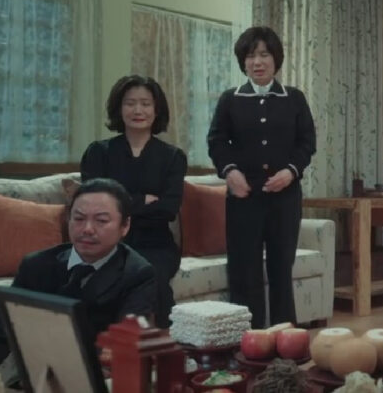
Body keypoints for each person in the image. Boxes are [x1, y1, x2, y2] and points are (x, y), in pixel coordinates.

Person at [0, 178, 156, 369]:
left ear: (125, 225)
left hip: (98, 376)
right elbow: (1, 330)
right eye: (79, 218)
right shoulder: (36, 265)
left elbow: (123, 345)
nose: (87, 229)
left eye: (101, 221)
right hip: (38, 376)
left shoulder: (138, 274)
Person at [207, 26, 316, 329]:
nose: (257, 61)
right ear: (243, 62)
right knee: (244, 270)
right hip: (243, 197)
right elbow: (217, 141)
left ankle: (285, 339)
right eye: (251, 55)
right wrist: (230, 172)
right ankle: (246, 338)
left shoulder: (294, 98)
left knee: (282, 269)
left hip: (285, 197)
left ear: (275, 60)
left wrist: (290, 171)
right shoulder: (230, 99)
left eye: (264, 54)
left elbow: (306, 142)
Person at [81, 75, 187, 328]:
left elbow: (168, 209)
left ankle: (163, 345)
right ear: (119, 108)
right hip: (108, 242)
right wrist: (142, 200)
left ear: (156, 109)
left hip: (156, 245)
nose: (138, 110)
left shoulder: (172, 157)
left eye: (145, 103)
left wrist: (119, 203)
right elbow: (92, 205)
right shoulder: (98, 152)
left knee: (151, 278)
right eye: (130, 103)